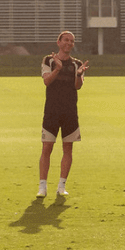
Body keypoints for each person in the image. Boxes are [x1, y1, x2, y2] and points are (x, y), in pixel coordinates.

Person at [39, 30, 87, 197]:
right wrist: (57, 69)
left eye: (72, 41)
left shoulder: (77, 64)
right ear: (58, 42)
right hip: (51, 111)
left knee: (68, 148)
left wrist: (80, 74)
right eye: (66, 40)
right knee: (47, 148)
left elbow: (78, 86)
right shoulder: (48, 60)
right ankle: (42, 187)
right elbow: (46, 81)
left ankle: (61, 186)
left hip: (70, 112)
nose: (69, 43)